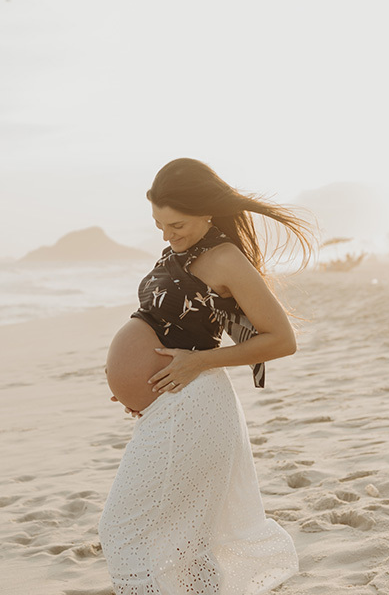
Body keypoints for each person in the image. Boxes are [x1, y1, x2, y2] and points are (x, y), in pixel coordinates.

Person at [99, 158, 315, 594]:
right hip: (172, 407)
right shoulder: (182, 250)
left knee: (122, 529)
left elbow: (282, 339)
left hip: (194, 404)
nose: (167, 235)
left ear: (206, 211)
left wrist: (198, 362)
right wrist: (135, 386)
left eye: (176, 225)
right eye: (160, 225)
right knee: (189, 539)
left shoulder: (224, 258)